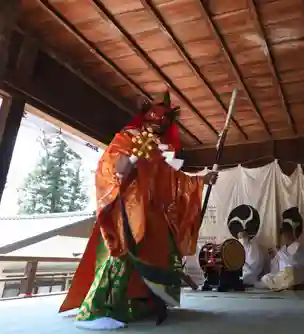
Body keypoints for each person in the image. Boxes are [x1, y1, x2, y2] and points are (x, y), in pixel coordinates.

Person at [58, 92, 218, 330]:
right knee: (119, 257)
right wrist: (131, 158)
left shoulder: (157, 151)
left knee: (159, 253)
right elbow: (112, 167)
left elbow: (172, 179)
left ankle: (140, 304)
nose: (156, 125)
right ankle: (95, 311)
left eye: (162, 122)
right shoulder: (125, 137)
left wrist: (201, 181)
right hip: (125, 210)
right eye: (154, 119)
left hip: (150, 213)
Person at [259, 224, 304, 291]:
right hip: (281, 275)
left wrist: (279, 253)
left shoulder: (299, 248)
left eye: (286, 235)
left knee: (291, 272)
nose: (284, 237)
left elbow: (294, 265)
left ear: (291, 234)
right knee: (265, 278)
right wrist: (273, 259)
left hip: (292, 275)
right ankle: (279, 286)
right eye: (283, 235)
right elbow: (275, 267)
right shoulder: (283, 249)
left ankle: (282, 286)